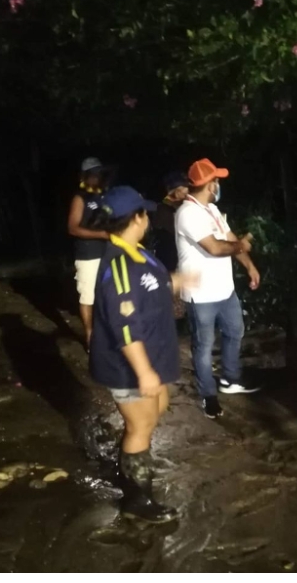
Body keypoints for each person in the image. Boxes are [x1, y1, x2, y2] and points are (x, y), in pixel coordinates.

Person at [89, 186, 195, 524]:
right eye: (144, 213)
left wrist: (178, 280)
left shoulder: (138, 254)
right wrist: (145, 371)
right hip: (129, 365)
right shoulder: (119, 266)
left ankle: (135, 459)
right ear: (136, 218)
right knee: (141, 423)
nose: (148, 217)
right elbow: (124, 327)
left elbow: (151, 285)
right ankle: (137, 499)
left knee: (155, 410)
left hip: (150, 356)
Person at [175, 158, 261, 419]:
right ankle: (208, 396)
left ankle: (231, 379)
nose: (218, 184)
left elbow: (230, 239)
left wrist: (249, 266)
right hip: (200, 294)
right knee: (203, 345)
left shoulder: (211, 209)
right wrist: (241, 247)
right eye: (216, 180)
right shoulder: (187, 213)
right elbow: (215, 247)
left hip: (225, 290)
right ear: (208, 184)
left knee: (235, 331)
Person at [68, 157, 112, 350]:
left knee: (107, 295)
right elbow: (73, 228)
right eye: (93, 173)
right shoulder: (80, 198)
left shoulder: (103, 195)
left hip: (107, 252)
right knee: (88, 297)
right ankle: (90, 337)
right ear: (85, 176)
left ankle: (106, 334)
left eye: (99, 173)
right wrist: (101, 234)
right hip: (87, 255)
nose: (97, 176)